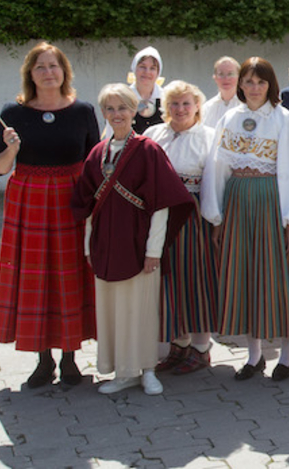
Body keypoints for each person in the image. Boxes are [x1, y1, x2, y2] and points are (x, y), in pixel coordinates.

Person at [72, 84, 194, 395]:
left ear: (133, 111)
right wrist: (89, 247)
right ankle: (122, 372)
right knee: (112, 310)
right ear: (103, 113)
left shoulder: (148, 150)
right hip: (105, 243)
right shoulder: (97, 154)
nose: (117, 114)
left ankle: (148, 369)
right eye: (110, 109)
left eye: (123, 108)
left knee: (141, 309)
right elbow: (89, 206)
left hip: (139, 243)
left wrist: (154, 250)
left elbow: (161, 204)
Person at [201, 57, 289, 381]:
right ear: (240, 84)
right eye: (248, 81)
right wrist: (217, 216)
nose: (254, 88)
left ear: (270, 85)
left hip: (271, 202)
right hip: (237, 202)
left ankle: (286, 355)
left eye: (260, 82)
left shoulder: (283, 118)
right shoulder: (230, 118)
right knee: (246, 276)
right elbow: (217, 168)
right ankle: (254, 356)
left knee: (277, 276)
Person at [0, 42, 100, 388]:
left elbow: (93, 161)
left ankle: (70, 359)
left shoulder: (83, 111)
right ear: (30, 73)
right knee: (36, 278)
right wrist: (11, 148)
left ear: (64, 71)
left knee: (70, 276)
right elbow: (2, 167)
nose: (48, 72)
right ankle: (44, 361)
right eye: (40, 67)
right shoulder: (12, 113)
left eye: (53, 66)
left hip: (71, 200)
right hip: (28, 200)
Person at [145, 81, 220, 376]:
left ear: (197, 105)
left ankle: (201, 349)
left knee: (195, 279)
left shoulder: (208, 137)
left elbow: (215, 181)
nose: (180, 109)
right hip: (159, 215)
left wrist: (215, 221)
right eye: (174, 103)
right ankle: (179, 345)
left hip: (193, 214)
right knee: (169, 280)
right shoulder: (154, 135)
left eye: (186, 103)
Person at [128, 47, 166, 133]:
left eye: (152, 68)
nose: (147, 72)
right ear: (134, 68)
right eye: (142, 67)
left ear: (158, 72)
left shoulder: (166, 99)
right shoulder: (123, 98)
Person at [201, 56, 241, 129]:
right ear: (215, 77)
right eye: (221, 74)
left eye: (230, 74)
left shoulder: (247, 105)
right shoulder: (206, 108)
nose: (226, 78)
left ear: (239, 77)